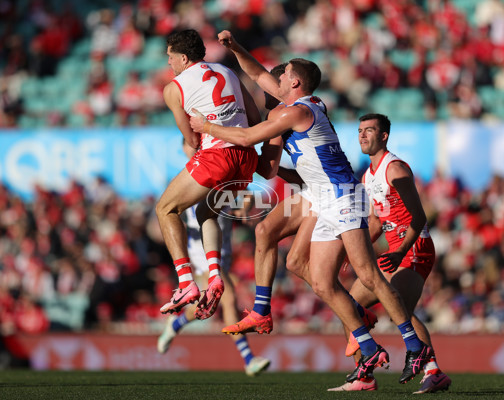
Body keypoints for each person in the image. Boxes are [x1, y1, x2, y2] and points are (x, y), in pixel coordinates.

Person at [190, 30, 432, 384]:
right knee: (318, 280)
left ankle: (414, 345)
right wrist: (235, 47)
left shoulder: (297, 112)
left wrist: (206, 127)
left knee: (367, 275)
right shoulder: (294, 105)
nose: (277, 78)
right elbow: (258, 76)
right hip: (320, 194)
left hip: (341, 195)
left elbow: (245, 138)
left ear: (296, 81)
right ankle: (368, 349)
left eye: (284, 74)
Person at [328, 114, 452, 393]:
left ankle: (433, 372)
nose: (362, 136)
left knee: (401, 311)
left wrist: (400, 253)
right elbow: (375, 221)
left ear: (383, 136)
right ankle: (365, 375)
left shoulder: (395, 169)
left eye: (369, 131)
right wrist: (357, 247)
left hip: (414, 247)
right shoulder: (368, 174)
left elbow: (419, 217)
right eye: (360, 131)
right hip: (394, 250)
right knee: (349, 308)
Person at [156, 29, 261, 320]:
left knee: (165, 209)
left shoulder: (174, 88)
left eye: (170, 57)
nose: (168, 63)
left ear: (184, 57)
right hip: (245, 156)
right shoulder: (227, 71)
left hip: (217, 155)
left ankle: (186, 283)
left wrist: (210, 131)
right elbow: (255, 119)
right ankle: (215, 276)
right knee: (207, 212)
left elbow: (191, 141)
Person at [156, 142, 270, 377]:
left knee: (209, 305)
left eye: (197, 144)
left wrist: (243, 208)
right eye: (190, 146)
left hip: (222, 255)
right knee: (228, 299)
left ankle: (175, 325)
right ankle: (248, 359)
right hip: (201, 258)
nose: (194, 148)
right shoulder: (186, 183)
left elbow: (244, 198)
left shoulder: (220, 173)